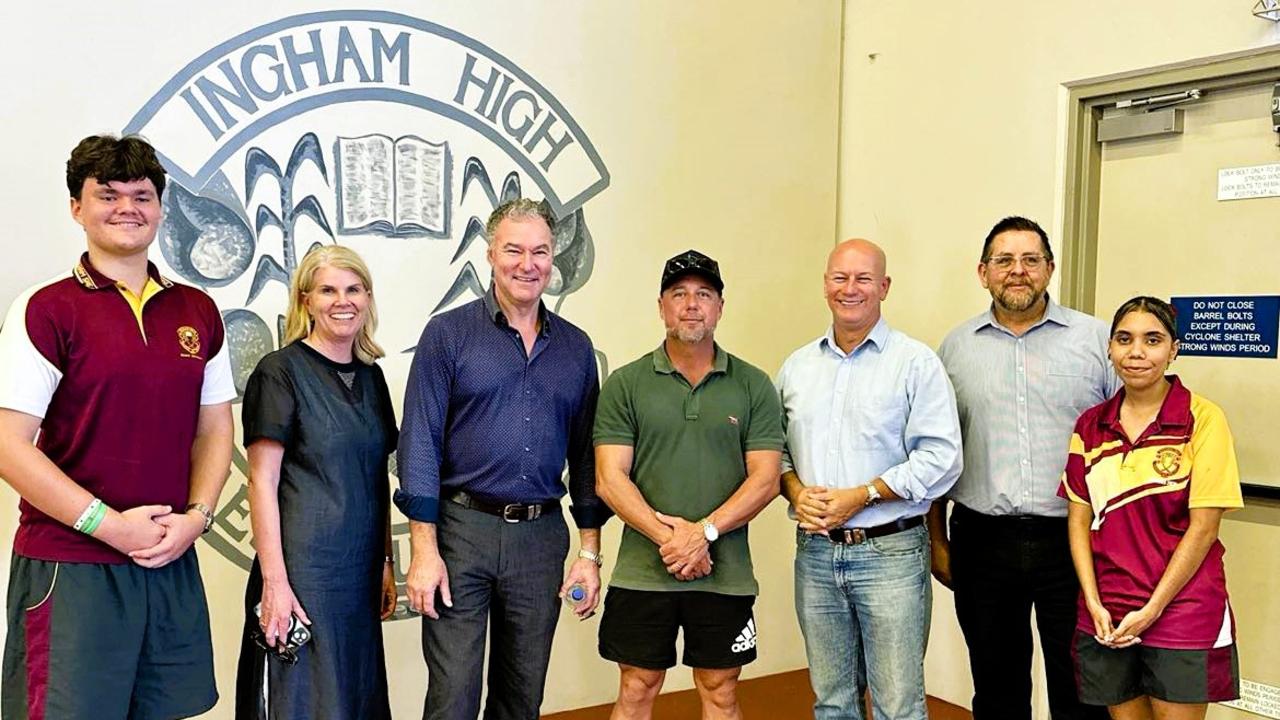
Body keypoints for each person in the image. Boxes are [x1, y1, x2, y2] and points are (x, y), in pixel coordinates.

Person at [0, 135, 235, 718]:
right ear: (77, 208)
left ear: (160, 208)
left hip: (167, 557)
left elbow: (214, 430)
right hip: (71, 565)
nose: (128, 207)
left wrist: (197, 520)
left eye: (142, 195)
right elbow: (8, 446)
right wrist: (108, 526)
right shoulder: (46, 307)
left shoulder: (197, 311)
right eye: (108, 195)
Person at [396, 198, 609, 720]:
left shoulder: (576, 349)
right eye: (513, 249)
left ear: (553, 257)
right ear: (491, 253)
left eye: (539, 251)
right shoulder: (447, 335)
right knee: (453, 697)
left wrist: (589, 553)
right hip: (460, 532)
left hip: (540, 539)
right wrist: (424, 549)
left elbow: (586, 456)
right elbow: (418, 441)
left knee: (522, 697)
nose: (527, 263)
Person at [932, 216, 1115, 720]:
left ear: (1050, 269)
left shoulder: (1096, 342)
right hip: (982, 542)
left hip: (1074, 544)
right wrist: (936, 542)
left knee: (1081, 689)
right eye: (1004, 261)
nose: (1018, 271)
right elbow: (935, 451)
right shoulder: (954, 349)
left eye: (1031, 260)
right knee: (996, 687)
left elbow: (1128, 442)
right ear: (983, 272)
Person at [594, 249, 784, 720]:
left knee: (720, 689)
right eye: (679, 294)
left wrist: (705, 535)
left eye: (704, 294)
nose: (692, 304)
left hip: (725, 574)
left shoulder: (754, 385)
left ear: (720, 306)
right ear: (662, 306)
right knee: (637, 686)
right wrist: (674, 541)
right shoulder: (626, 384)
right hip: (643, 572)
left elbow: (766, 478)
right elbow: (608, 478)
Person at [777, 238, 962, 720]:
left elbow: (943, 457)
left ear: (884, 286)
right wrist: (796, 491)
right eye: (840, 277)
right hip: (816, 554)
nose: (850, 288)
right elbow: (772, 451)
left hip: (891, 556)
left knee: (898, 705)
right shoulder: (797, 368)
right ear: (825, 285)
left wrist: (863, 495)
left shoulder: (916, 363)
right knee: (832, 701)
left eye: (863, 278)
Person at [233, 245, 398, 719]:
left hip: (359, 573)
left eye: (352, 289)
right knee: (302, 702)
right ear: (306, 300)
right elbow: (260, 482)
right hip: (302, 573)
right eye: (327, 290)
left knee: (355, 698)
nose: (341, 301)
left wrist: (386, 561)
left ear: (367, 298)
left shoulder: (372, 378)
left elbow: (375, 481)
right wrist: (275, 583)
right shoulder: (279, 372)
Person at [1062, 296, 1242, 720]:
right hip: (1108, 610)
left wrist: (1153, 609)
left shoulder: (1204, 419)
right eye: (1124, 339)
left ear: (1173, 349)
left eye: (1152, 339)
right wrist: (1092, 600)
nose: (1136, 352)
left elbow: (1203, 529)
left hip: (1182, 608)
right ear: (1109, 348)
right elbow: (1078, 518)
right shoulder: (1091, 425)